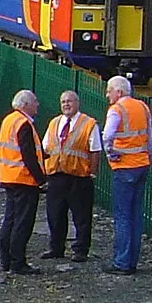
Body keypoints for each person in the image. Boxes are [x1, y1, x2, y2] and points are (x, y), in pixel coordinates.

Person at [40, 89, 102, 264]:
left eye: (69, 101)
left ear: (77, 103)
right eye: (63, 102)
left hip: (79, 176)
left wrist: (92, 172)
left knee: (81, 216)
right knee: (55, 214)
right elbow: (45, 148)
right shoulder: (54, 123)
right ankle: (56, 247)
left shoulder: (88, 123)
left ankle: (80, 249)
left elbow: (95, 150)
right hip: (56, 175)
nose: (66, 104)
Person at [0, 88, 46, 276]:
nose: (37, 105)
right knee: (22, 222)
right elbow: (28, 155)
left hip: (8, 177)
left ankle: (6, 261)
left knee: (9, 220)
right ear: (25, 105)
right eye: (35, 102)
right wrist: (41, 180)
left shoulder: (8, 120)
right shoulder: (24, 123)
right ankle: (18, 262)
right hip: (23, 179)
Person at [104, 75, 152, 274]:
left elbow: (107, 135)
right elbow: (150, 137)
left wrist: (111, 153)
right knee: (135, 215)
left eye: (109, 91)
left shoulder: (116, 110)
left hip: (124, 166)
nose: (107, 95)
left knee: (123, 216)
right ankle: (132, 261)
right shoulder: (143, 107)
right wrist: (146, 156)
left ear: (119, 92)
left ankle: (121, 262)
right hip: (142, 164)